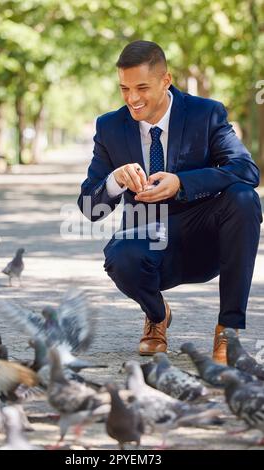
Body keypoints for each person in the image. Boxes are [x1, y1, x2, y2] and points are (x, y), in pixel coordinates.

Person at [78, 40, 262, 364]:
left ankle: (228, 331)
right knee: (120, 257)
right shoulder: (109, 127)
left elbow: (246, 170)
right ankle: (157, 315)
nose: (132, 99)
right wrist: (115, 180)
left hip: (206, 239)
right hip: (146, 240)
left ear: (166, 80)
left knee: (245, 198)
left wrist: (182, 183)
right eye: (124, 89)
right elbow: (90, 209)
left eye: (142, 88)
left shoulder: (206, 114)